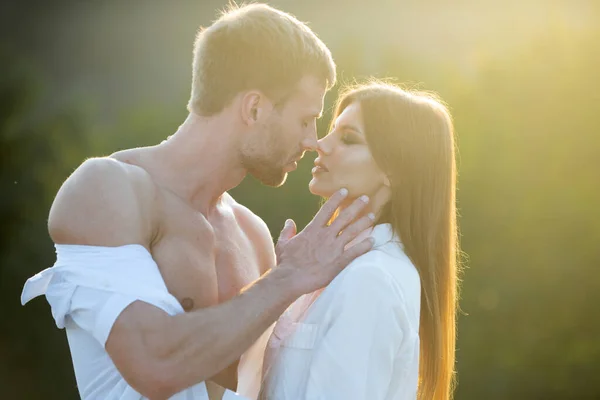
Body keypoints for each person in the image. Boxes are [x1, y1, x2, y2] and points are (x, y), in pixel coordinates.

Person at [20, 4, 375, 400]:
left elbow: (265, 389)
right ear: (254, 108)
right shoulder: (109, 190)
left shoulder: (254, 235)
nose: (312, 141)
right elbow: (156, 365)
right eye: (305, 120)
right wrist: (288, 279)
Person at [259, 82, 460, 400]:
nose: (320, 144)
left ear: (393, 170)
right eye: (331, 130)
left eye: (348, 138)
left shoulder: (371, 279)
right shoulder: (343, 269)